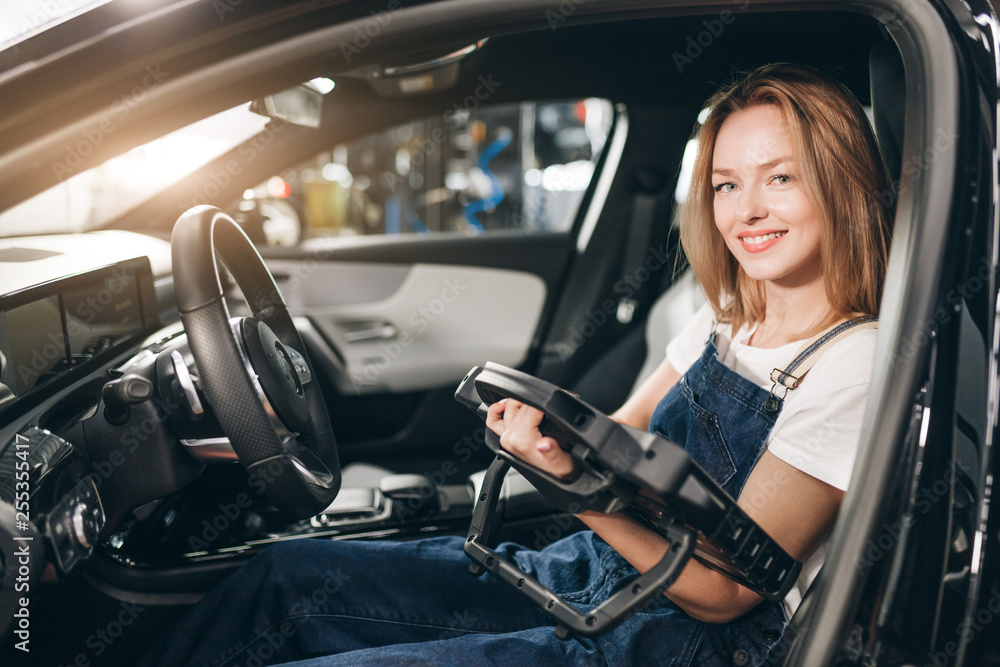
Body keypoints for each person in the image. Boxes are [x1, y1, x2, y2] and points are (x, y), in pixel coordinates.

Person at [139, 63, 892, 666]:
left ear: (842, 182)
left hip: (687, 639)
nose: (746, 211)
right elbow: (624, 432)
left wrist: (571, 485)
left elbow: (726, 591)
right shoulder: (727, 310)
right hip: (603, 569)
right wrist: (550, 437)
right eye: (727, 184)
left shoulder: (851, 363)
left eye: (780, 178)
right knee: (283, 579)